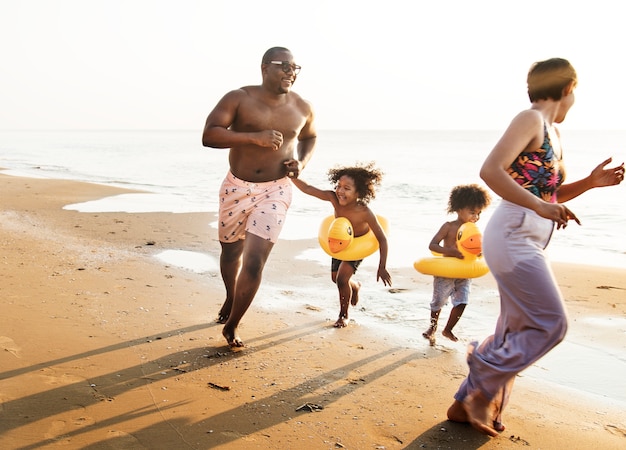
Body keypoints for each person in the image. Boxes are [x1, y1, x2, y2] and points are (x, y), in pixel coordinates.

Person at [446, 58, 624, 436]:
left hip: (527, 235)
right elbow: (490, 170)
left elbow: (546, 192)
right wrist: (542, 205)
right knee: (551, 324)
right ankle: (483, 375)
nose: (575, 99)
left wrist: (589, 183)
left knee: (516, 329)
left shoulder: (551, 133)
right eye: (575, 91)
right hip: (512, 233)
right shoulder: (529, 120)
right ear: (566, 88)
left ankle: (465, 402)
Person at [202, 47, 317, 348]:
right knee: (231, 252)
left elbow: (309, 137)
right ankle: (231, 295)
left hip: (276, 190)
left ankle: (233, 324)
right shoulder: (238, 98)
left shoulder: (302, 107)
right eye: (284, 66)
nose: (291, 72)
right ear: (265, 67)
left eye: (295, 67)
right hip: (236, 187)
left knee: (254, 261)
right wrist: (253, 137)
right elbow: (210, 134)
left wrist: (301, 163)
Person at [290, 162, 392, 327]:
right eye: (339, 186)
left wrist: (382, 266)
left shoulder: (364, 212)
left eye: (347, 188)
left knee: (341, 279)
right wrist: (292, 176)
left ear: (359, 192)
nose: (340, 191)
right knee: (335, 278)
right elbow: (308, 189)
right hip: (340, 242)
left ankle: (344, 315)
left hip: (358, 246)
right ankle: (355, 286)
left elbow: (382, 238)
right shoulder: (333, 199)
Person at [422, 184, 491, 345]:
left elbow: (478, 250)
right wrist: (451, 251)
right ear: (459, 208)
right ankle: (432, 327)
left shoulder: (474, 230)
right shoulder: (449, 227)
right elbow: (432, 245)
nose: (476, 217)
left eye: (479, 213)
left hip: (464, 273)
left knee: (462, 301)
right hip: (446, 272)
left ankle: (448, 329)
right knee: (438, 301)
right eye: (472, 212)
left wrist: (480, 253)